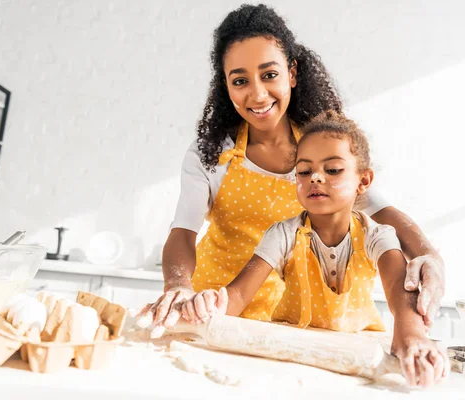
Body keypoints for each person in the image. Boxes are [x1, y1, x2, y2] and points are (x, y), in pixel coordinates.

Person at [140, 4, 444, 328]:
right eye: (240, 80)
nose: (257, 95)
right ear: (225, 87)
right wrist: (178, 285)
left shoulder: (322, 150)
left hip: (294, 321)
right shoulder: (211, 154)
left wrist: (429, 256)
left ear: (292, 73)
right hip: (215, 310)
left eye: (269, 75)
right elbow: (184, 232)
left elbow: (382, 212)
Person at [180, 111, 450, 388]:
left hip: (356, 356)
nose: (315, 178)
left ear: (364, 181)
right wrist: (210, 303)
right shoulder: (282, 234)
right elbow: (238, 294)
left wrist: (412, 334)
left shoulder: (377, 236)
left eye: (332, 170)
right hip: (290, 355)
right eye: (304, 171)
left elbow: (397, 283)